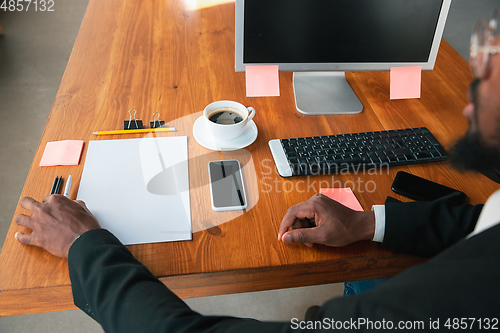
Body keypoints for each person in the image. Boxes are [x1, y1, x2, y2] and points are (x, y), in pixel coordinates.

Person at [14, 19, 500, 333]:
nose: (466, 104)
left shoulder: (456, 300)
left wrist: (86, 247)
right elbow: (480, 222)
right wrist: (368, 223)